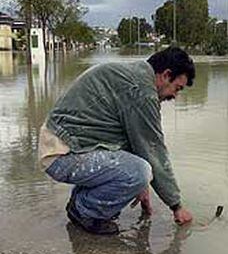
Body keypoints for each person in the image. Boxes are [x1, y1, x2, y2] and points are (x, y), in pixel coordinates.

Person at [38, 47, 195, 235]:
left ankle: (82, 202)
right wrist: (176, 206)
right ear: (166, 75)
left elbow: (131, 138)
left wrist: (142, 186)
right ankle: (84, 210)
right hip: (61, 153)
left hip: (65, 146)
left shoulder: (135, 76)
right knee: (140, 171)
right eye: (177, 88)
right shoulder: (142, 91)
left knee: (138, 171)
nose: (175, 96)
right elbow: (153, 150)